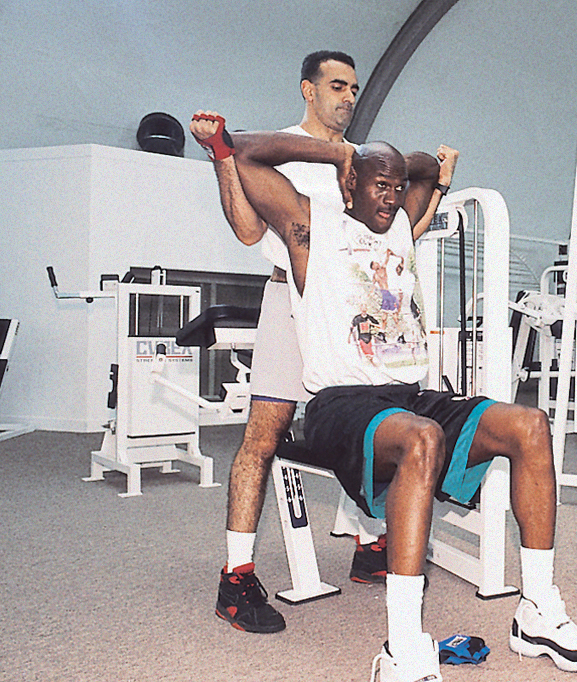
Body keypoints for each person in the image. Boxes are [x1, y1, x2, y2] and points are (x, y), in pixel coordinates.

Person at [216, 121, 577, 680]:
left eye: (397, 187)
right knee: (422, 437)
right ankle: (403, 643)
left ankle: (538, 611)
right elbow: (247, 152)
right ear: (348, 185)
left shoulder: (399, 227)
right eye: (379, 185)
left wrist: (395, 166)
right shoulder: (309, 228)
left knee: (530, 425)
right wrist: (342, 154)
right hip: (341, 403)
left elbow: (425, 170)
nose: (392, 196)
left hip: (409, 395)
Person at [189, 50, 458, 635]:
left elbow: (399, 215)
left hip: (356, 308)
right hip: (293, 297)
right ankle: (236, 576)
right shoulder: (285, 147)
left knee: (373, 419)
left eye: (355, 89)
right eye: (337, 86)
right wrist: (221, 157)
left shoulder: (367, 162)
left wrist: (425, 176)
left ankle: (370, 547)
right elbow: (247, 230)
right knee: (263, 436)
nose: (348, 97)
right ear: (307, 89)